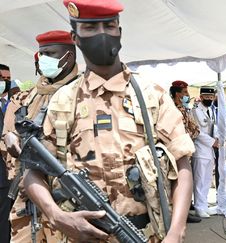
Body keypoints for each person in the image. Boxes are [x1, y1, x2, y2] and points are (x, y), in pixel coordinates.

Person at [23, 0, 195, 242]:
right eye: (90, 28)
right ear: (76, 37)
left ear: (120, 32)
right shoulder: (64, 100)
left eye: (109, 26)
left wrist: (176, 231)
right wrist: (57, 216)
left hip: (146, 234)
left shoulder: (150, 95)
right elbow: (32, 173)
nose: (102, 34)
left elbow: (182, 165)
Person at [1, 30, 79, 242]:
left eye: (50, 53)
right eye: (41, 54)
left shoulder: (83, 93)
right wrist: (10, 141)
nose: (43, 60)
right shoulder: (29, 97)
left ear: (68, 56)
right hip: (27, 196)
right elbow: (9, 133)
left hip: (67, 199)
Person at [169, 80, 202, 223]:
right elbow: (187, 130)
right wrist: (193, 133)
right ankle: (183, 214)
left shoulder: (184, 108)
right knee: (180, 181)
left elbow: (194, 128)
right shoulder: (173, 110)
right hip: (179, 150)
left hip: (186, 147)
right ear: (177, 94)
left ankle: (186, 208)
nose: (188, 95)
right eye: (185, 93)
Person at [0, 63, 21, 243]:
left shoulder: (9, 104)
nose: (5, 83)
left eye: (7, 79)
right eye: (1, 79)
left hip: (6, 176)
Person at [191, 87, 219, 218]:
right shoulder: (195, 112)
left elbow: (213, 127)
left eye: (211, 97)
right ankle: (198, 207)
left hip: (209, 151)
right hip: (200, 149)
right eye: (206, 97)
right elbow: (196, 131)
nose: (209, 99)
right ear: (201, 97)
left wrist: (217, 138)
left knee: (207, 179)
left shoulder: (211, 110)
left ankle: (203, 204)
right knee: (199, 180)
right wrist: (212, 141)